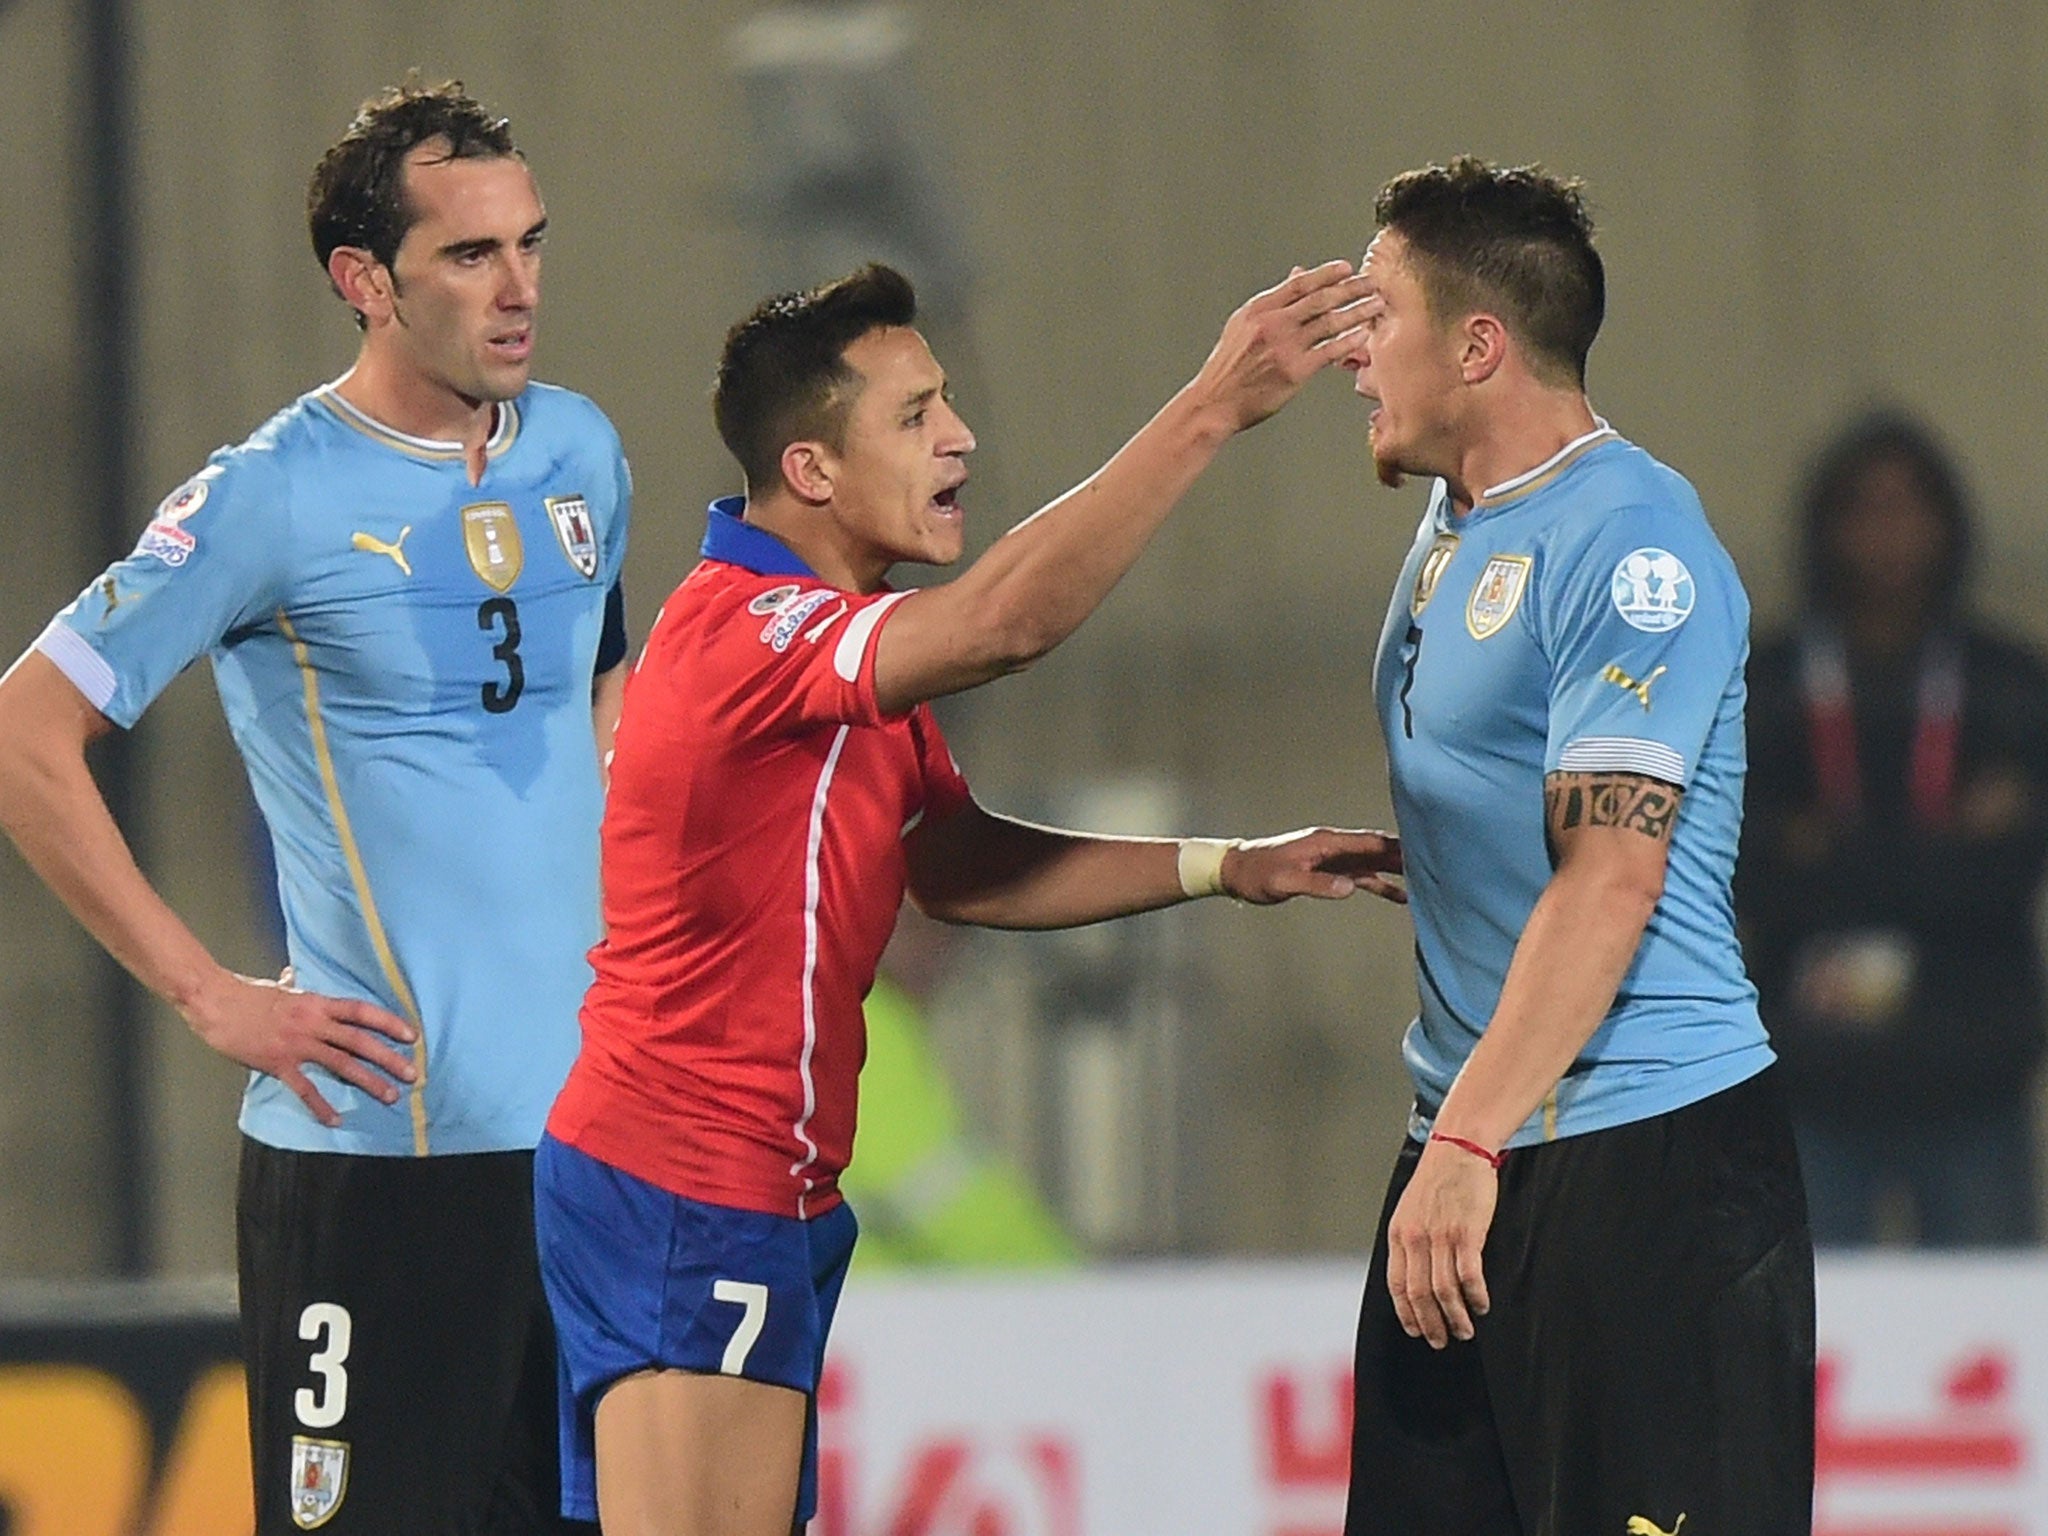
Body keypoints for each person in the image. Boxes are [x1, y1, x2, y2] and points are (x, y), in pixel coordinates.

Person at [534, 260, 1402, 1536]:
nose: (960, 435)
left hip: (745, 1195)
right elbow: (1004, 622)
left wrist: (1228, 864)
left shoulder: (845, 659)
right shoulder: (746, 632)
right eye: (914, 414)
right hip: (684, 1185)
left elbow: (959, 866)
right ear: (812, 471)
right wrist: (1209, 407)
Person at [0, 79, 627, 1534]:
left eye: (532, 242)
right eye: (470, 257)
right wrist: (207, 992)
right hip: (384, 1171)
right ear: (365, 282)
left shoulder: (579, 450)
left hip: (596, 1154)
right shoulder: (266, 500)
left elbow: (603, 697)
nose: (520, 288)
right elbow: (28, 733)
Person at [1339, 158, 1814, 1535]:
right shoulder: (1455, 522)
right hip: (1469, 1147)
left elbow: (1613, 875)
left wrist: (1469, 1148)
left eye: (1379, 316)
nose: (1352, 353)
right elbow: (1510, 784)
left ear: (1479, 346)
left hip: (1644, 1169)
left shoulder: (1631, 540)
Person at [1739, 411, 2048, 1246]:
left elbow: (2012, 870)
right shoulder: (1765, 687)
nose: (1888, 535)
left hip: (1969, 1068)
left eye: (1908, 508)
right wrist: (1940, 850)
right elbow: (1743, 865)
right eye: (1865, 509)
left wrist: (1832, 856)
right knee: (1806, 1331)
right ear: (1826, 527)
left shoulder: (2006, 685)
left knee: (1985, 1328)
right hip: (1808, 1071)